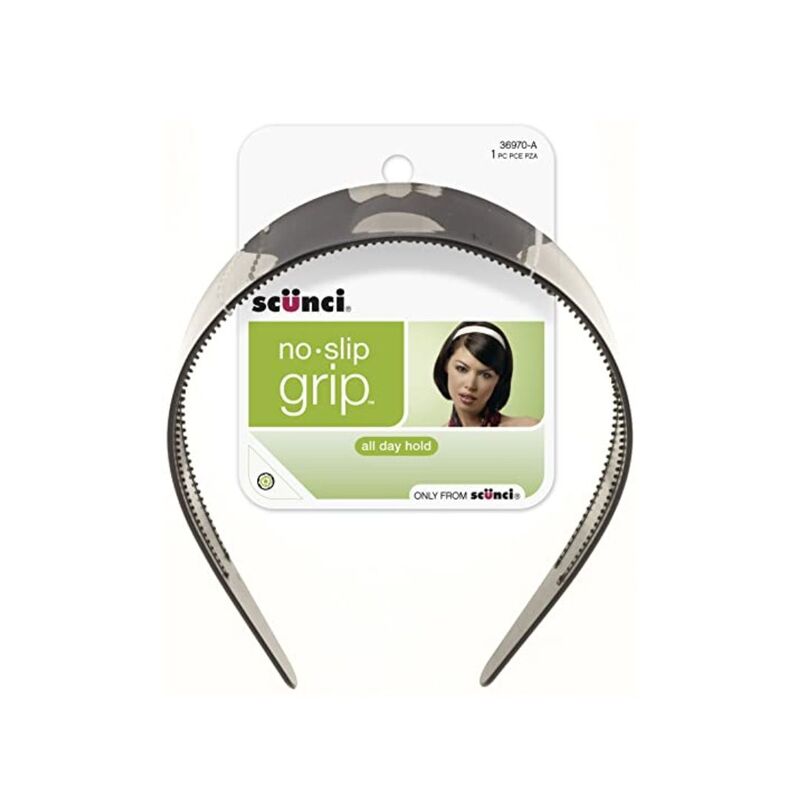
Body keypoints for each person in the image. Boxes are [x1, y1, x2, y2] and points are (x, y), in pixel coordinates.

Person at [433, 321, 538, 427]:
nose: (470, 385)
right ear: (445, 364)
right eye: (462, 369)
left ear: (499, 380)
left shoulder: (528, 428)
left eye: (486, 375)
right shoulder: (438, 434)